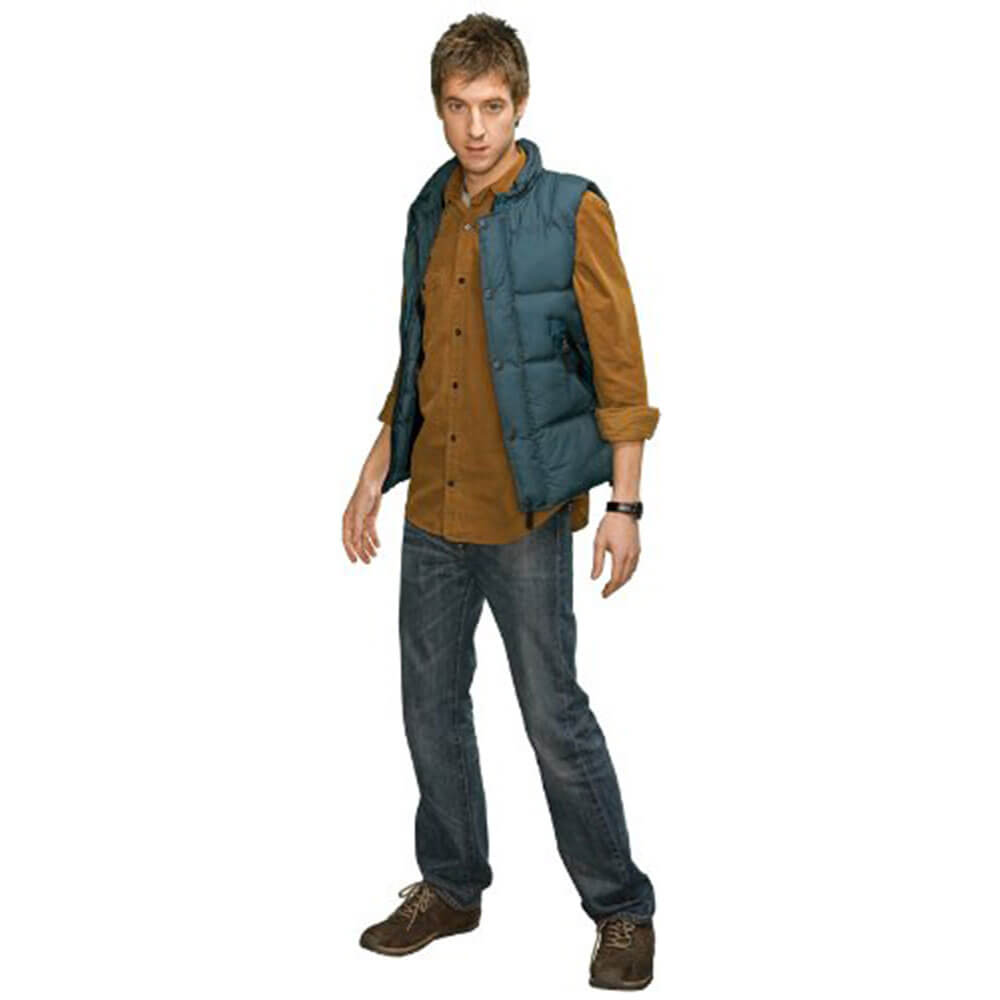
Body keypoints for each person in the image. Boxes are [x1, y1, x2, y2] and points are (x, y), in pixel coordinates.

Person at [342, 13, 659, 991]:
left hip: (523, 516)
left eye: (490, 106)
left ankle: (620, 907)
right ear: (438, 109)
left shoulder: (571, 209)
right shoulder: (428, 209)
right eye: (457, 107)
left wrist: (626, 507)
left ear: (519, 105)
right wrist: (371, 471)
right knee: (430, 709)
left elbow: (620, 367)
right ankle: (451, 886)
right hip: (432, 513)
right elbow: (419, 360)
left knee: (553, 717)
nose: (474, 127)